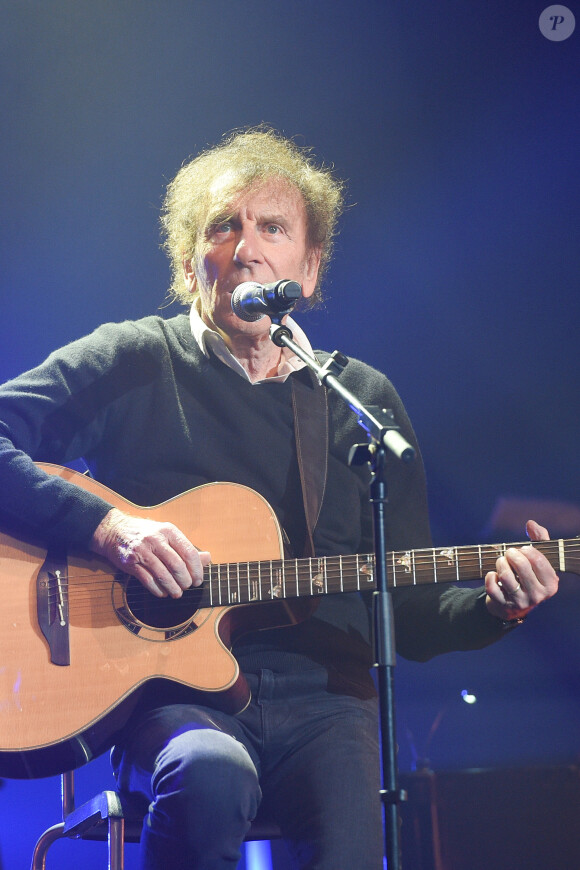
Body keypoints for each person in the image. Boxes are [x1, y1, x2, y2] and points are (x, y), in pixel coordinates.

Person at [0, 128, 559, 869]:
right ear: (189, 258)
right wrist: (109, 529)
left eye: (272, 227)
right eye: (222, 225)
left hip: (326, 700)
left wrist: (500, 608)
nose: (246, 247)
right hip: (169, 704)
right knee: (210, 771)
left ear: (309, 267)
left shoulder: (358, 401)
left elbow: (415, 622)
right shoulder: (132, 360)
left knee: (355, 826)